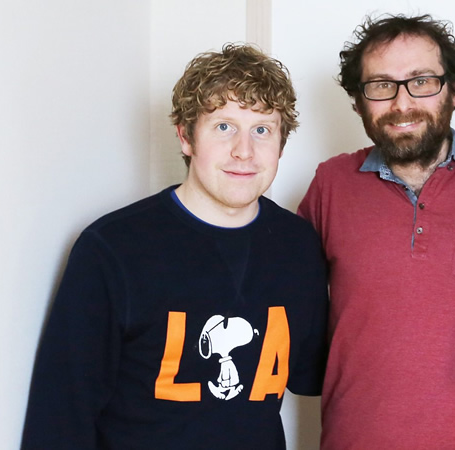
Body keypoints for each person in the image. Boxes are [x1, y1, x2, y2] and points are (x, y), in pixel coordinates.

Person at [22, 44, 328, 449]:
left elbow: (315, 374)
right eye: (223, 127)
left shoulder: (299, 245)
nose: (244, 150)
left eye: (262, 129)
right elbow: (60, 418)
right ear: (186, 137)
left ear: (281, 146)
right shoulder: (112, 249)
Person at [298, 14, 455, 449]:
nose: (402, 102)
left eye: (422, 81)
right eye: (381, 85)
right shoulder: (329, 184)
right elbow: (285, 304)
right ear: (358, 102)